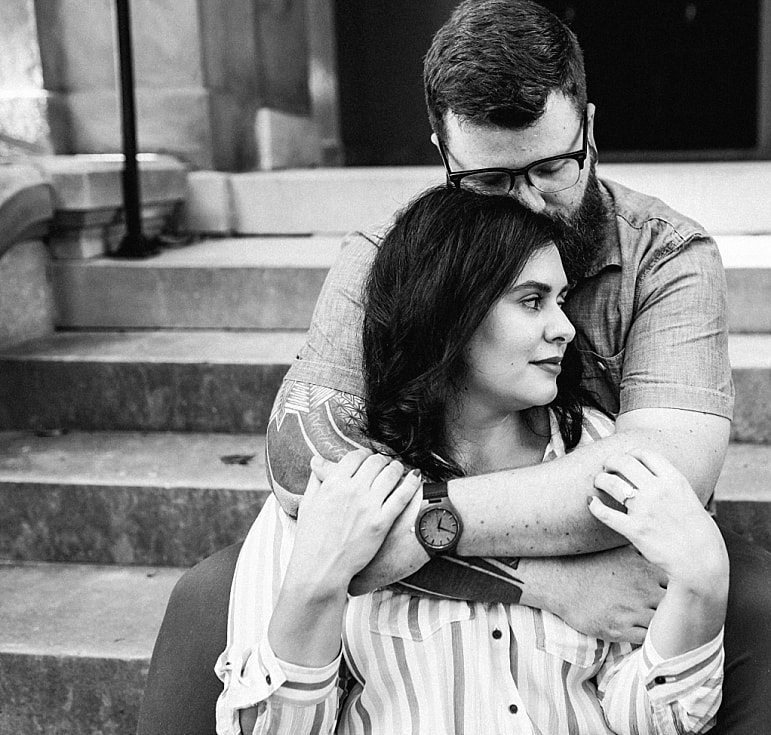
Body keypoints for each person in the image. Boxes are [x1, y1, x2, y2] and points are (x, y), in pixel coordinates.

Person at [138, 2, 771, 733]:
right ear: (443, 155)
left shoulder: (667, 253)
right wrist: (531, 581)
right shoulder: (397, 257)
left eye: (551, 168)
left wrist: (416, 526)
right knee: (209, 601)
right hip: (448, 496)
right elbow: (300, 458)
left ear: (591, 131)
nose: (529, 205)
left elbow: (660, 476)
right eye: (490, 180)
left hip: (613, 536)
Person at [217, 186, 729, 734]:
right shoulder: (339, 486)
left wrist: (704, 584)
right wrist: (317, 585)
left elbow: (651, 722)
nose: (565, 328)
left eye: (560, 300)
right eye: (532, 301)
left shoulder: (601, 466)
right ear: (450, 315)